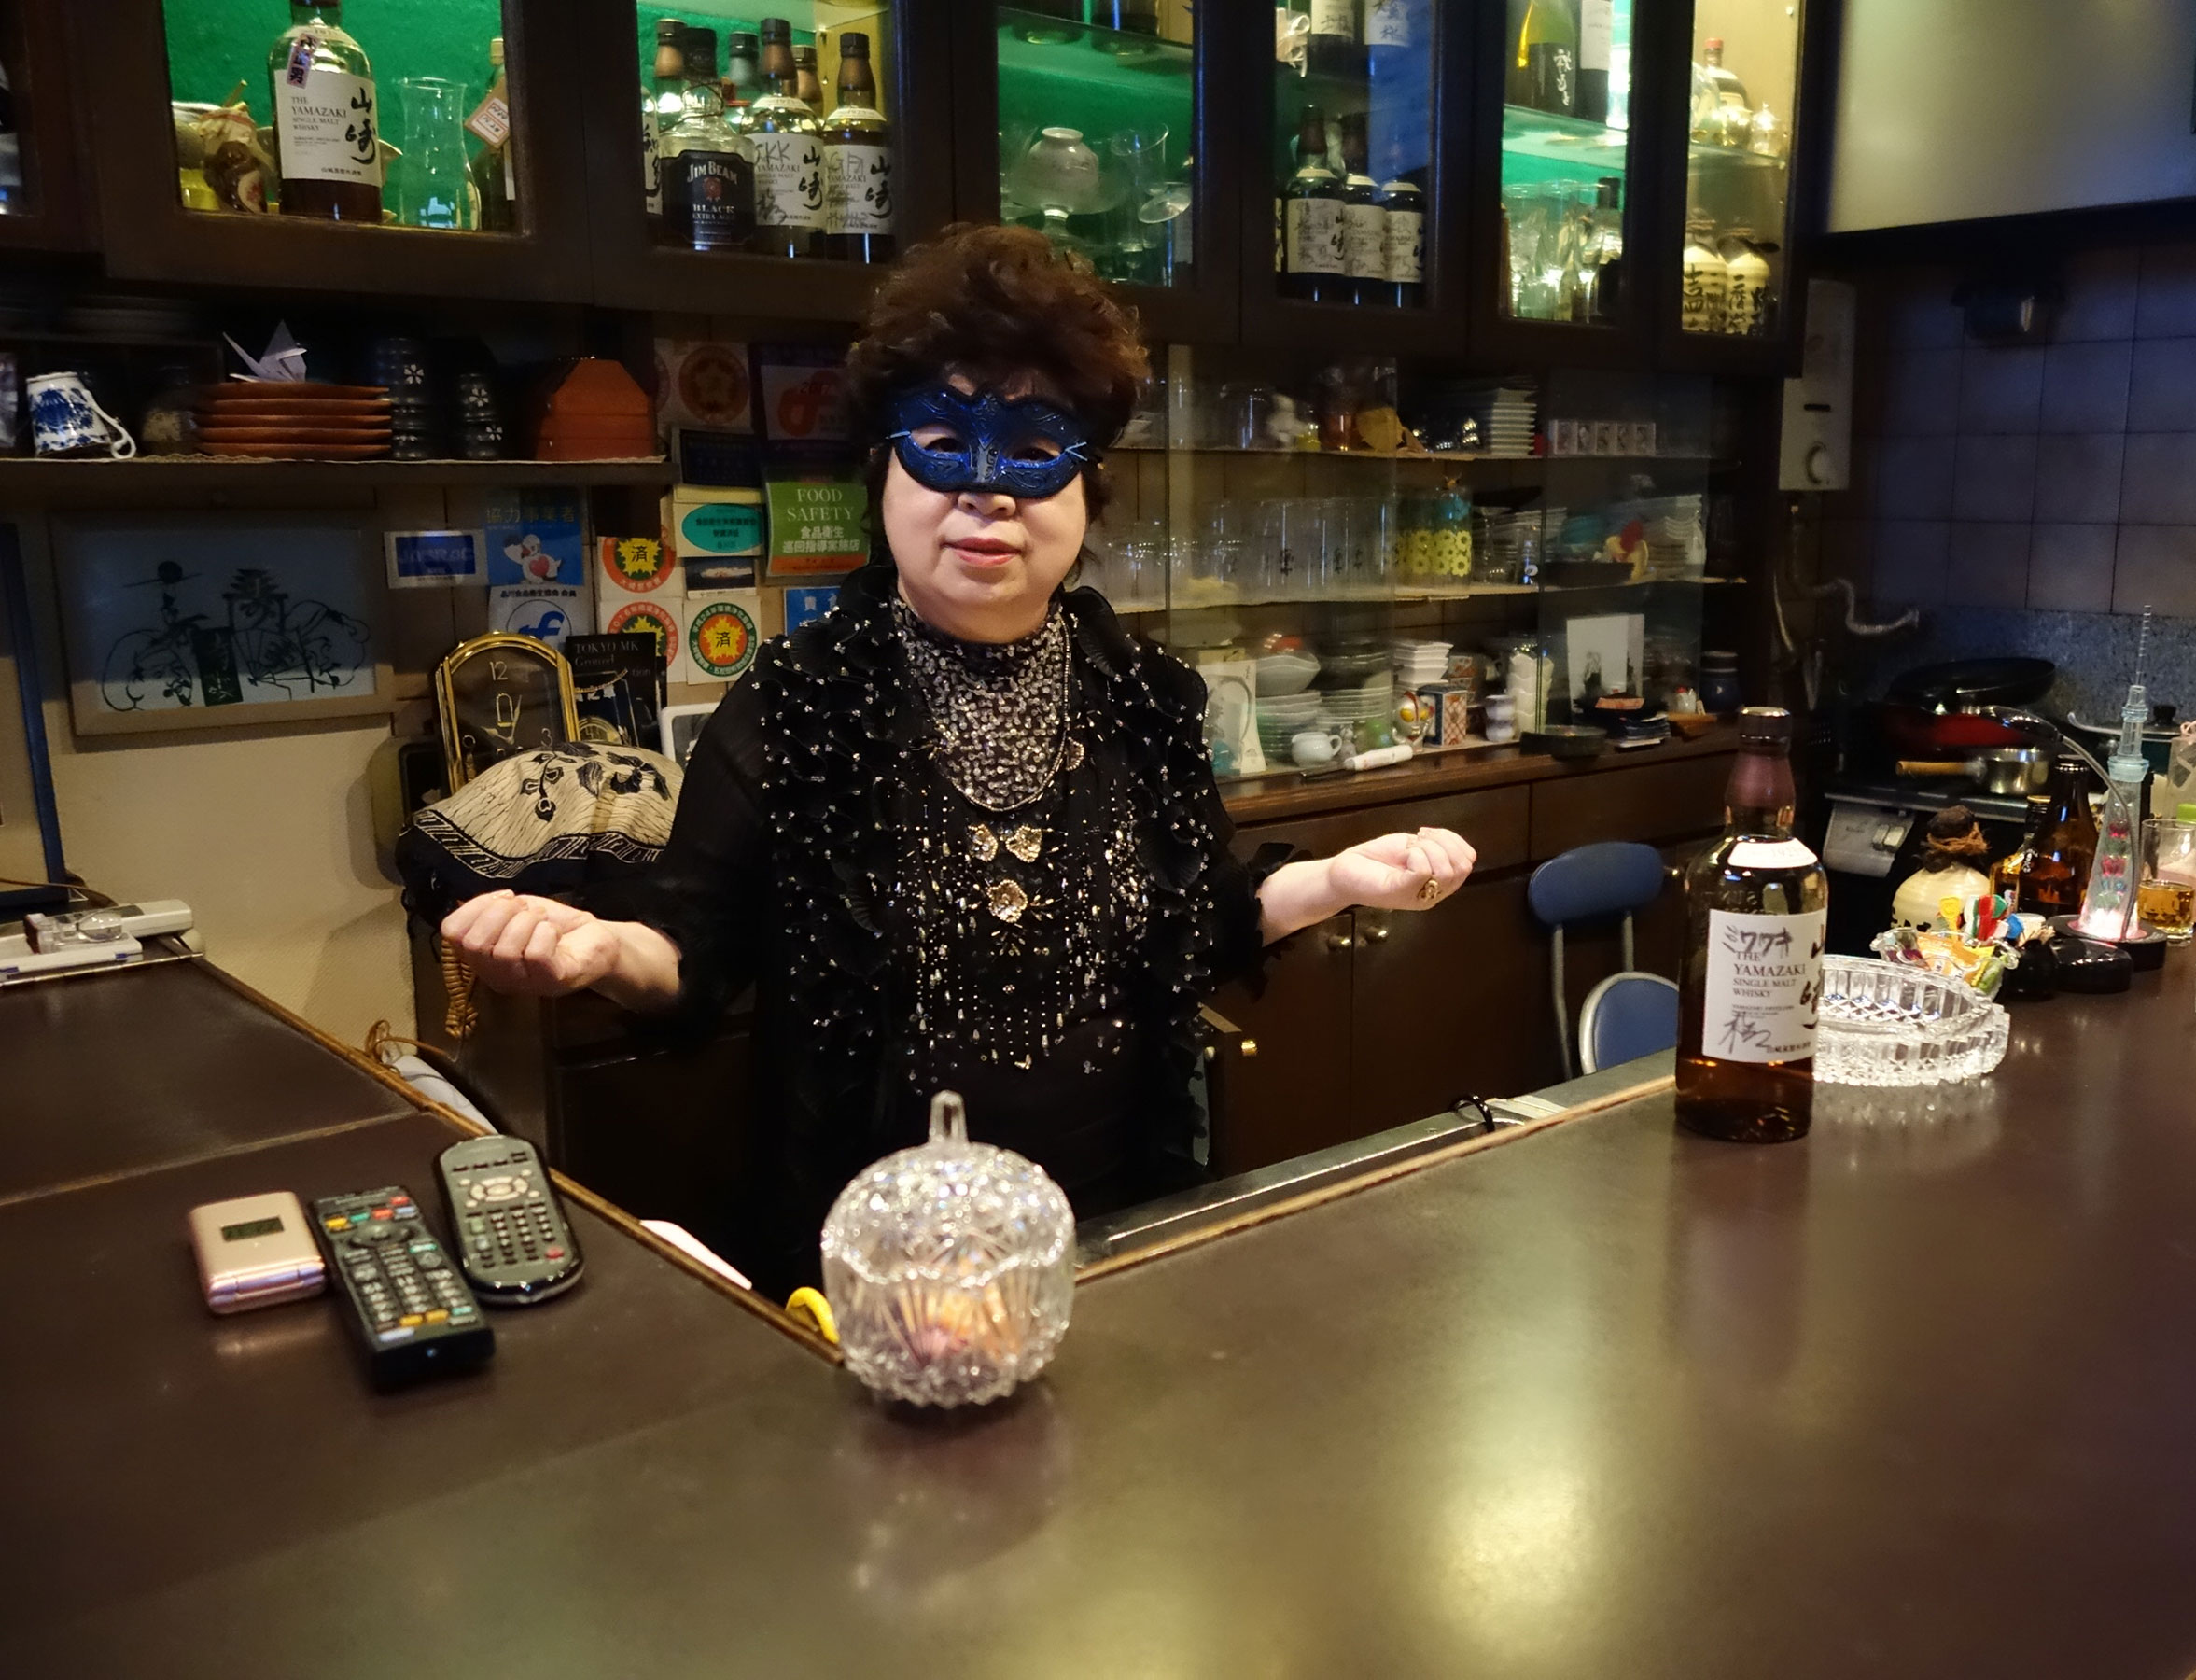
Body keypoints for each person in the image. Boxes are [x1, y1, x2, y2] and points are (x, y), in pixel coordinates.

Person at [442, 225, 1476, 1295]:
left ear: (1087, 491)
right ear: (882, 475)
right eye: (942, 440)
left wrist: (1340, 880)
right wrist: (600, 949)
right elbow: (693, 957)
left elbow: (1202, 920)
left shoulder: (1143, 697)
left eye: (1033, 453)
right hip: (869, 1268)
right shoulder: (798, 701)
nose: (988, 494)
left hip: (1116, 1244)